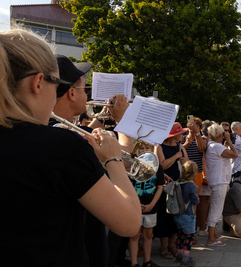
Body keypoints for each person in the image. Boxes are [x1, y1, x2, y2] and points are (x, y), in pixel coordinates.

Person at [0, 29, 141, 266]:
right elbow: (129, 223)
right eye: (56, 86)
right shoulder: (61, 147)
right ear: (38, 83)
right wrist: (113, 159)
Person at [154, 122, 189, 259]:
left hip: (178, 185)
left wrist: (183, 158)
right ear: (173, 135)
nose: (183, 136)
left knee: (176, 215)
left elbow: (187, 164)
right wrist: (176, 157)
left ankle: (172, 245)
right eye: (181, 134)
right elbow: (161, 166)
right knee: (164, 216)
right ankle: (163, 246)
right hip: (164, 187)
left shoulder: (179, 146)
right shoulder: (159, 146)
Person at [128, 143, 164, 267]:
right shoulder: (133, 165)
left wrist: (151, 204)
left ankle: (147, 261)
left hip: (151, 206)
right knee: (135, 234)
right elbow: (129, 187)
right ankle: (134, 263)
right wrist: (136, 204)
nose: (144, 151)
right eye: (141, 148)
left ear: (152, 149)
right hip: (135, 206)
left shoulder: (157, 167)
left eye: (147, 148)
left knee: (148, 234)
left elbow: (159, 187)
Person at [205, 123, 238, 246]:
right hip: (219, 181)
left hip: (218, 180)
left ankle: (214, 234)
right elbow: (235, 154)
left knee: (217, 209)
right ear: (220, 135)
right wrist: (229, 141)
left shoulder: (213, 145)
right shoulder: (216, 146)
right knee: (215, 209)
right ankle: (211, 238)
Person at [174, 161, 200, 267]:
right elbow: (195, 201)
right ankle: (185, 260)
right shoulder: (191, 185)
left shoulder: (178, 182)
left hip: (177, 214)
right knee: (189, 237)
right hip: (188, 215)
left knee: (180, 235)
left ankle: (179, 255)